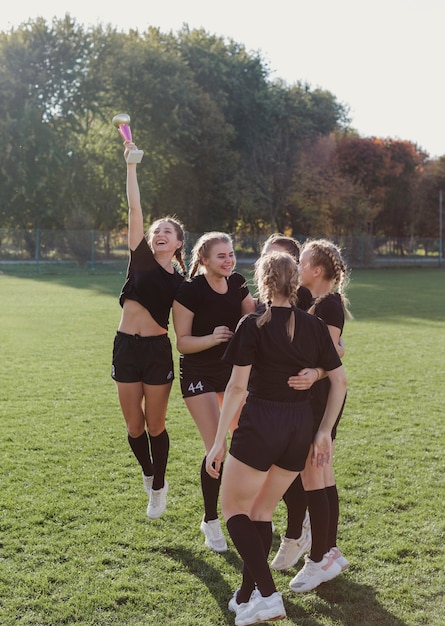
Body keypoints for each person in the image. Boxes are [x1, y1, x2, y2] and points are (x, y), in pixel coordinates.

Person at [205, 251, 347, 626]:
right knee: (261, 512)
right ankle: (246, 593)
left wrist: (219, 441)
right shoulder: (313, 324)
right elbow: (339, 381)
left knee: (234, 511)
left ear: (263, 282)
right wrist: (322, 431)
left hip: (262, 424)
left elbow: (236, 389)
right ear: (294, 283)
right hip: (300, 426)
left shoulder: (252, 324)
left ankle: (268, 596)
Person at [272, 238, 353, 594]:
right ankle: (328, 552)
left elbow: (331, 357)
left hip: (321, 398)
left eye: (300, 261)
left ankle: (318, 558)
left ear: (316, 270)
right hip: (307, 397)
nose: (295, 264)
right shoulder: (307, 298)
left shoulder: (330, 306)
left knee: (315, 473)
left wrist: (315, 373)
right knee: (320, 473)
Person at [111, 140, 186, 520]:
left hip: (157, 351)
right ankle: (148, 471)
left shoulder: (182, 283)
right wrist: (131, 166)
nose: (159, 233)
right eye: (157, 229)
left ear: (178, 243)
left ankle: (159, 485)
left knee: (156, 424)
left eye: (168, 232)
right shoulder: (139, 257)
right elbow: (135, 207)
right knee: (134, 425)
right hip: (126, 347)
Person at [172, 232, 256, 553]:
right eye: (221, 256)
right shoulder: (189, 291)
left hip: (230, 372)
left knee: (246, 442)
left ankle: (245, 509)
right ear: (204, 260)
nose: (229, 260)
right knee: (216, 449)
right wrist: (212, 337)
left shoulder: (237, 283)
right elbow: (182, 342)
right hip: (197, 373)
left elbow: (252, 318)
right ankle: (210, 521)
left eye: (231, 254)